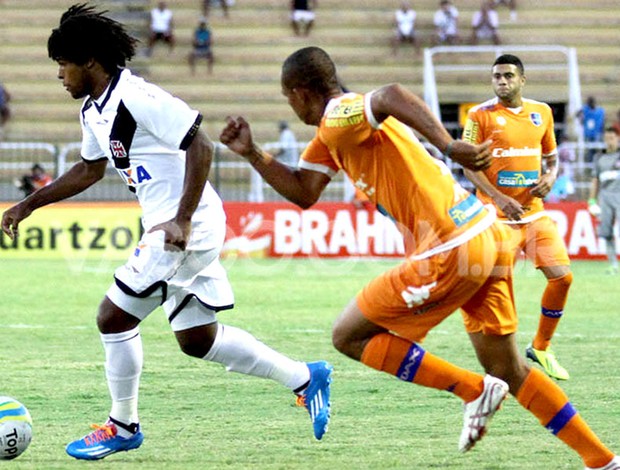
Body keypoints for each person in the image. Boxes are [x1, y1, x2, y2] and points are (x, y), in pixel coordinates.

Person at [220, 46, 619, 469]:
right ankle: (604, 461)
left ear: (300, 93)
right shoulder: (330, 137)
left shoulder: (340, 115)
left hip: (449, 245)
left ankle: (473, 390)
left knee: (348, 336)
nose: (290, 105)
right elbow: (304, 190)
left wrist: (450, 145)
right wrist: (253, 154)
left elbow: (390, 93)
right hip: (486, 235)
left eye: (287, 97)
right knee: (510, 369)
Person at [1, 5, 332, 461]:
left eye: (64, 63)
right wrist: (28, 204)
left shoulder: (138, 97)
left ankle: (123, 425)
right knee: (198, 340)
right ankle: (304, 376)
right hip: (177, 227)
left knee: (112, 318)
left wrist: (182, 217)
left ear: (90, 61)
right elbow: (89, 169)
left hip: (183, 227)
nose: (60, 75)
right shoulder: (93, 109)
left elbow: (202, 143)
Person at [462, 54, 572, 381]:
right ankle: (505, 366)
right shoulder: (479, 116)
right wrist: (499, 198)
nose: (502, 81)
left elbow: (551, 159)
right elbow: (468, 166)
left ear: (522, 80)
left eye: (508, 76)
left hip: (534, 215)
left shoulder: (542, 113)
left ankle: (541, 346)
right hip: (496, 218)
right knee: (501, 293)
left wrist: (550, 178)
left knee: (562, 277)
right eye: (496, 76)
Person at [588, 128, 620, 275]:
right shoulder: (599, 158)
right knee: (606, 231)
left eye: (612, 138)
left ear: (617, 138)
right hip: (605, 196)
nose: (609, 141)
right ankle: (613, 264)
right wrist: (592, 200)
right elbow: (595, 180)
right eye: (607, 138)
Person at [577, 96, 605, 164]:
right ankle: (590, 165)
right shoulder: (585, 109)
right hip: (588, 134)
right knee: (590, 150)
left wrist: (603, 131)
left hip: (597, 133)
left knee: (598, 150)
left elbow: (603, 122)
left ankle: (596, 164)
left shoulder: (600, 111)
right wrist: (581, 120)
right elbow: (577, 114)